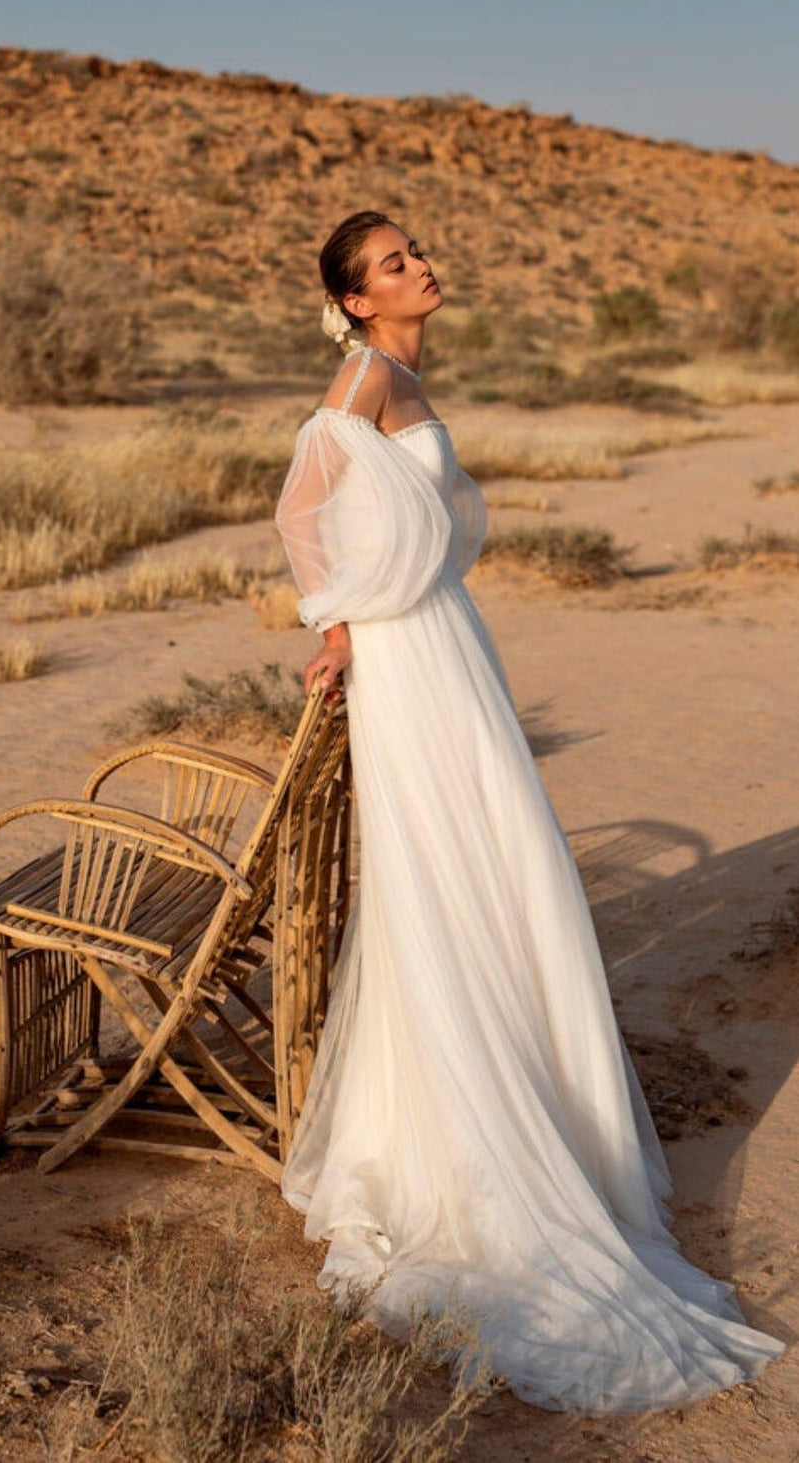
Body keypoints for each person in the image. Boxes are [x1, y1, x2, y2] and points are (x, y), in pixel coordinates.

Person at [272, 209, 785, 1413]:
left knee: (495, 871)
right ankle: (474, 1143)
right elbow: (303, 506)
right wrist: (342, 621)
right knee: (460, 878)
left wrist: (369, 605)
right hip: (412, 657)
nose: (422, 267)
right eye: (394, 263)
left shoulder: (398, 370)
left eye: (416, 253)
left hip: (442, 646)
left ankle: (524, 1103)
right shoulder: (361, 377)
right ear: (354, 300)